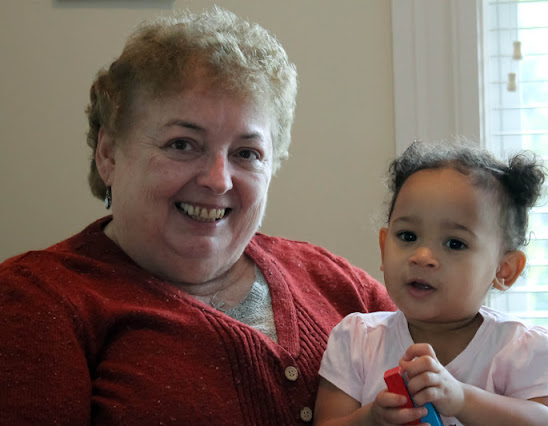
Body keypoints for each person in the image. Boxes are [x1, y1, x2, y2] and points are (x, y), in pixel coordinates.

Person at [0, 7, 395, 425]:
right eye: (182, 144)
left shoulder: (339, 285)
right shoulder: (36, 301)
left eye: (247, 153)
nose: (218, 180)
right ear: (109, 154)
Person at [314, 141, 548, 426]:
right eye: (408, 236)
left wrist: (461, 399)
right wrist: (370, 419)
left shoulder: (520, 349)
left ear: (504, 270)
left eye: (454, 243)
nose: (422, 257)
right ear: (384, 248)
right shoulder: (357, 341)